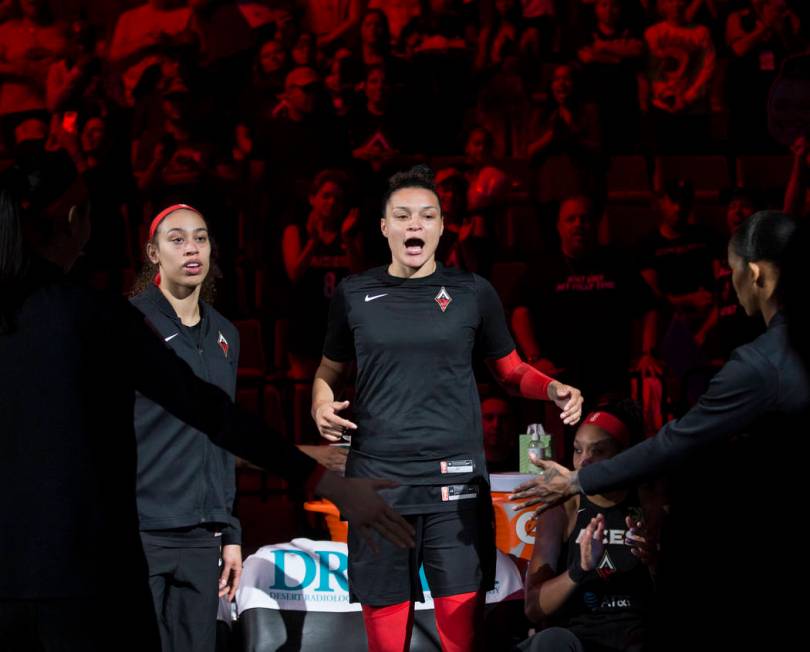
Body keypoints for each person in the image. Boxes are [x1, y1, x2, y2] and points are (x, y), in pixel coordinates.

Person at [0, 169, 415, 651]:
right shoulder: (102, 316)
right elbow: (211, 413)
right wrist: (327, 482)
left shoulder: (210, 332)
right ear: (76, 221)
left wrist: (230, 526)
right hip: (85, 574)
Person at [311, 165, 584, 652]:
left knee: (461, 639)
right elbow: (327, 372)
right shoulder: (353, 294)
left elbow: (511, 369)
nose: (415, 224)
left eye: (426, 215)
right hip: (378, 485)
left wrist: (552, 389)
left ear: (440, 226)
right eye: (403, 215)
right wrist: (320, 401)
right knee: (386, 642)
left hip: (454, 484)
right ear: (384, 226)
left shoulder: (473, 292)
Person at [511, 210, 810, 649]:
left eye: (731, 272)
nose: (731, 284)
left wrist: (579, 479)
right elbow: (534, 606)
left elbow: (678, 441)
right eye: (579, 452)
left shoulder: (760, 363)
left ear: (755, 274)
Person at [129, 203, 240, 652]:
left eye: (201, 237)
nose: (191, 249)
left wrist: (231, 532)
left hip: (202, 535)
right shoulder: (128, 325)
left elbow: (225, 434)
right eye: (177, 240)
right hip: (140, 530)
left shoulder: (226, 335)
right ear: (153, 253)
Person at [518, 400, 660, 652]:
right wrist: (578, 570)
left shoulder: (649, 500)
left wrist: (654, 562)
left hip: (635, 634)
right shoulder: (563, 506)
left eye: (598, 451)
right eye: (578, 450)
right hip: (577, 638)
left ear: (624, 456)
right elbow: (533, 608)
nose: (584, 462)